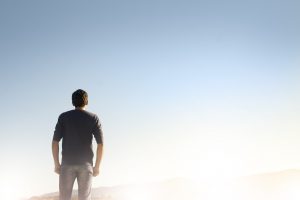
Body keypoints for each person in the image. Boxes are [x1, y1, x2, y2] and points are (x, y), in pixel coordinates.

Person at [52, 89, 104, 200]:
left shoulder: (63, 117)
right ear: (87, 102)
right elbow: (101, 144)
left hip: (66, 165)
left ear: (72, 102)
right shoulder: (93, 118)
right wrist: (97, 167)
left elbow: (55, 142)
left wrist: (57, 164)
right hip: (86, 166)